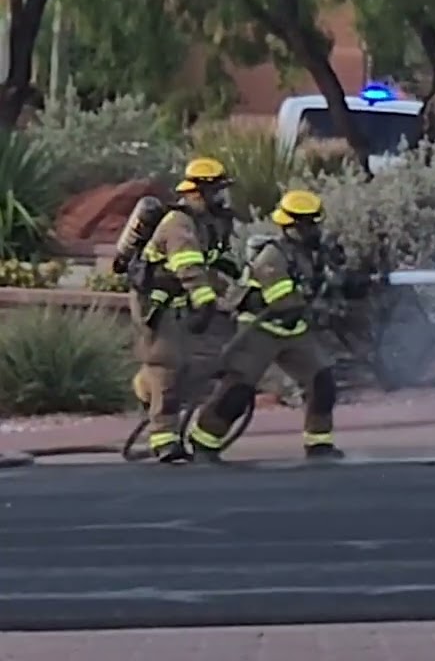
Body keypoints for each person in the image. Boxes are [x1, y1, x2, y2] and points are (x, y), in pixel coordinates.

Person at [187, 189, 372, 462]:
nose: (310, 230)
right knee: (237, 391)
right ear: (289, 225)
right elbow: (285, 302)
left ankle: (319, 444)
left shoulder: (314, 253)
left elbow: (329, 280)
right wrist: (326, 295)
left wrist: (352, 284)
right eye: (303, 224)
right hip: (260, 329)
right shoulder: (271, 257)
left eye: (313, 223)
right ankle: (203, 442)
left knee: (321, 382)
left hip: (294, 330)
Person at [129, 157, 236, 462]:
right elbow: (186, 265)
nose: (221, 198)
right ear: (197, 192)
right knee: (166, 367)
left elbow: (213, 259)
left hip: (177, 301)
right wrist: (204, 300)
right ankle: (163, 439)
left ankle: (146, 387)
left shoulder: (206, 222)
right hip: (156, 303)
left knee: (189, 365)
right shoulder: (179, 223)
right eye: (216, 192)